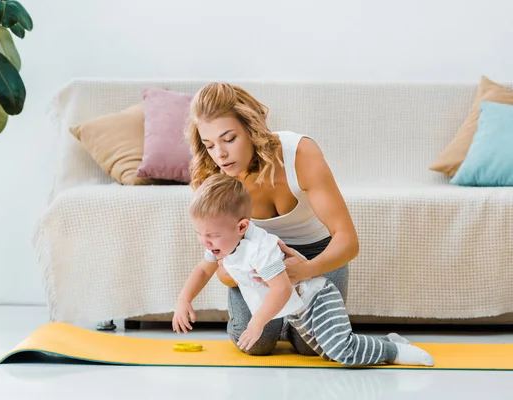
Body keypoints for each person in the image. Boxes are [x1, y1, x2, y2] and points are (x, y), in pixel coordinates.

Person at [172, 174, 434, 367]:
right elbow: (203, 270)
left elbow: (282, 288)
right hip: (296, 310)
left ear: (241, 227)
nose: (205, 243)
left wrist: (256, 323)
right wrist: (184, 299)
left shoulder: (259, 248)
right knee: (329, 351)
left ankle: (395, 351)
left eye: (211, 236)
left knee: (342, 351)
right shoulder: (221, 242)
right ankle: (390, 343)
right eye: (199, 234)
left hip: (315, 299)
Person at [184, 82, 358, 355]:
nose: (220, 154)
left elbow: (347, 241)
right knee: (255, 343)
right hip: (254, 261)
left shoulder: (299, 153)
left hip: (314, 254)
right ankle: (279, 322)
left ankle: (291, 323)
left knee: (314, 347)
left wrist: (305, 270)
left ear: (251, 129)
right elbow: (218, 263)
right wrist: (239, 272)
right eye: (209, 145)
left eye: (229, 139)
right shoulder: (211, 174)